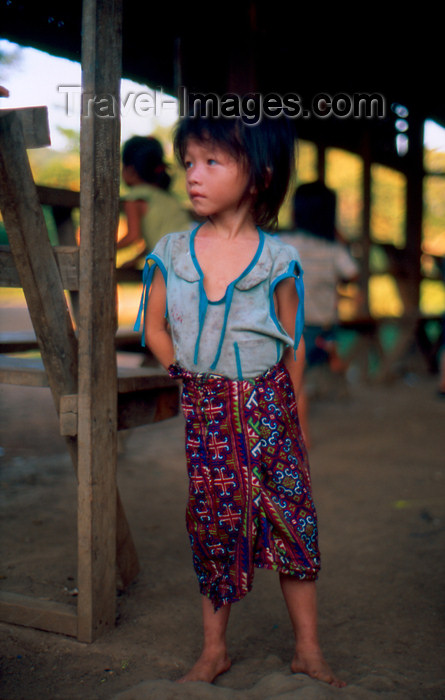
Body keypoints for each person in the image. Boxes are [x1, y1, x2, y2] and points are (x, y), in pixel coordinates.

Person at [134, 115, 345, 688]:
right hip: (207, 412)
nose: (194, 177)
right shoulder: (172, 251)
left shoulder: (279, 259)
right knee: (214, 522)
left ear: (257, 178)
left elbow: (292, 341)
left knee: (292, 520)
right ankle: (213, 651)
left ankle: (308, 649)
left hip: (271, 407)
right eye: (189, 164)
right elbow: (153, 327)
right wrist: (184, 372)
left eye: (212, 163)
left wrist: (295, 411)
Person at [280, 181, 360, 443]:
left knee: (295, 380)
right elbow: (352, 273)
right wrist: (340, 239)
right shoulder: (333, 249)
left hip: (294, 326)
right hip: (324, 328)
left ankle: (301, 435)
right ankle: (334, 358)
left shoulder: (283, 243)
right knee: (305, 374)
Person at [117, 135, 192, 268]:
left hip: (177, 262)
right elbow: (160, 238)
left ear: (130, 170)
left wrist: (104, 250)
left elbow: (133, 236)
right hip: (193, 251)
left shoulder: (134, 198)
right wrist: (136, 259)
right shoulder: (166, 197)